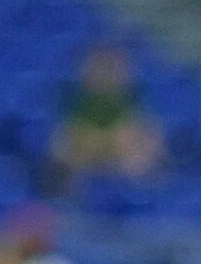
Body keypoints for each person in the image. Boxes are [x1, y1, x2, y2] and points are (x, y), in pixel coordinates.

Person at [52, 44, 164, 182]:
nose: (104, 76)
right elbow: (63, 157)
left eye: (111, 70)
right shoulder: (72, 109)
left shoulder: (136, 110)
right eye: (98, 70)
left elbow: (146, 164)